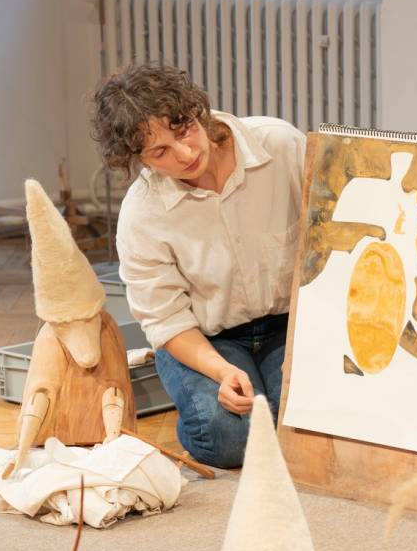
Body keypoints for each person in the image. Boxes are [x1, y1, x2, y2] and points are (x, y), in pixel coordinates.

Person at [91, 64, 306, 468]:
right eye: (160, 152)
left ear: (197, 111)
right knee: (230, 438)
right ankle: (195, 401)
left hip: (290, 326)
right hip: (206, 339)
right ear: (138, 160)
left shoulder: (279, 145)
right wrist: (221, 372)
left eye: (184, 129)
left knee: (304, 427)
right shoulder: (142, 214)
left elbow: (332, 236)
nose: (186, 153)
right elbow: (167, 319)